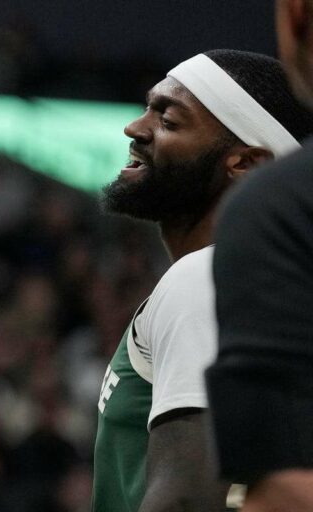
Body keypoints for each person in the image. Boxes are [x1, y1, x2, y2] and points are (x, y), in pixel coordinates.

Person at [91, 49, 313, 512]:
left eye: (169, 121)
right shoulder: (267, 290)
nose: (135, 128)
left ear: (246, 163)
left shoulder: (204, 279)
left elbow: (187, 499)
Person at [205, 2, 313, 509]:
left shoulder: (283, 207)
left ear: (295, 14)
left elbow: (289, 489)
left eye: (167, 116)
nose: (134, 129)